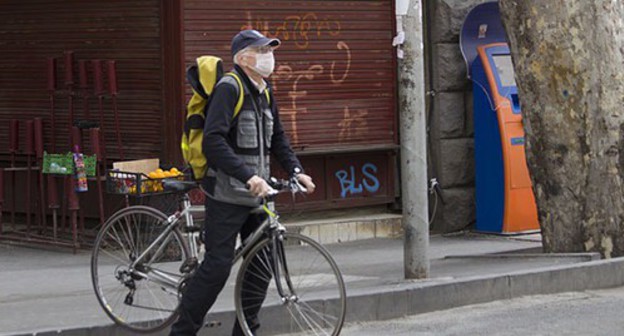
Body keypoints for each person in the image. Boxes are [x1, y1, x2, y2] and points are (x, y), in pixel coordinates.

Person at [170, 29, 316, 336]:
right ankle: (182, 332)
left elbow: (278, 138)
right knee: (217, 268)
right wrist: (247, 175)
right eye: (262, 50)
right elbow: (213, 141)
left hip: (257, 195)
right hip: (225, 194)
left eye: (269, 50)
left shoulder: (265, 90)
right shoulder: (229, 88)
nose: (268, 57)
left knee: (261, 266)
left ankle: (246, 332)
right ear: (243, 58)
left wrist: (295, 169)